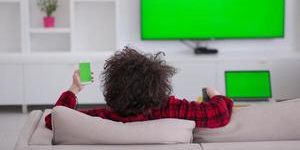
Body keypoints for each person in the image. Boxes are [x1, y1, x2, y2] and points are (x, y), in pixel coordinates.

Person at [45, 47, 233, 130]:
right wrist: (214, 93)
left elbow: (53, 120)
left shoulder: (101, 118)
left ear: (112, 87)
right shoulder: (171, 109)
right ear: (158, 83)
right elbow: (219, 114)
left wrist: (74, 88)